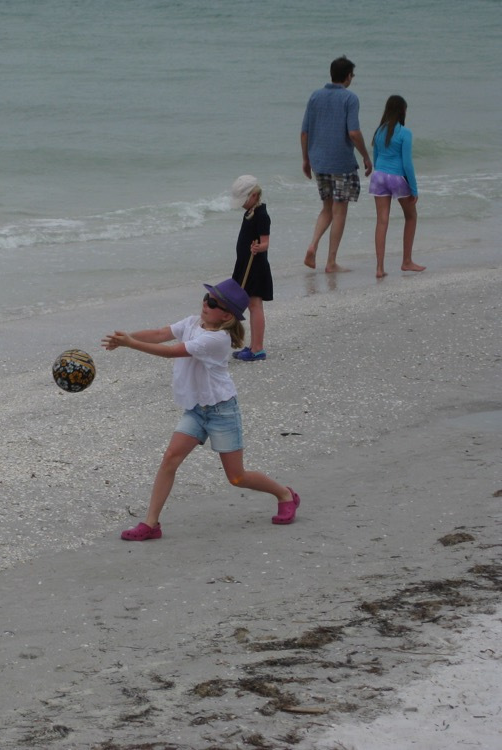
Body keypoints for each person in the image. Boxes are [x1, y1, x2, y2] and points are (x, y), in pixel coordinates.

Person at [101, 279, 300, 541]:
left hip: (222, 411)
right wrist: (126, 337)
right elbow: (161, 334)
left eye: (214, 303)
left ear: (227, 316)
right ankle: (151, 524)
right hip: (196, 409)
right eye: (207, 298)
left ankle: (285, 494)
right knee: (170, 459)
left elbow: (171, 352)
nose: (206, 303)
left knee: (237, 477)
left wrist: (131, 344)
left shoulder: (217, 339)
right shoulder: (193, 322)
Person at [300, 56, 373, 273]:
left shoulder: (315, 96)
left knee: (327, 209)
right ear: (348, 76)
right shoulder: (350, 98)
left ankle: (313, 245)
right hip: (341, 162)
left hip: (319, 162)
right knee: (339, 212)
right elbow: (353, 132)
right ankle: (331, 262)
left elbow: (304, 132)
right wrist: (366, 156)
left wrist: (306, 159)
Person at [370, 95, 425, 278]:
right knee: (411, 216)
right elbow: (407, 164)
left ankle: (379, 268)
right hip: (396, 178)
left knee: (382, 221)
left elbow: (376, 159)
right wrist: (414, 189)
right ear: (402, 111)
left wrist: (381, 173)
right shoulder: (405, 133)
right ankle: (407, 261)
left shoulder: (379, 131)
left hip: (379, 177)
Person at [229, 175, 272, 361]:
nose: (242, 204)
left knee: (255, 305)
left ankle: (258, 349)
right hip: (245, 264)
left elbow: (266, 243)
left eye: (244, 199)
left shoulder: (262, 215)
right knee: (250, 305)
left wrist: (258, 248)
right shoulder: (249, 213)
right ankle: (253, 346)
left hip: (255, 266)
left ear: (254, 195)